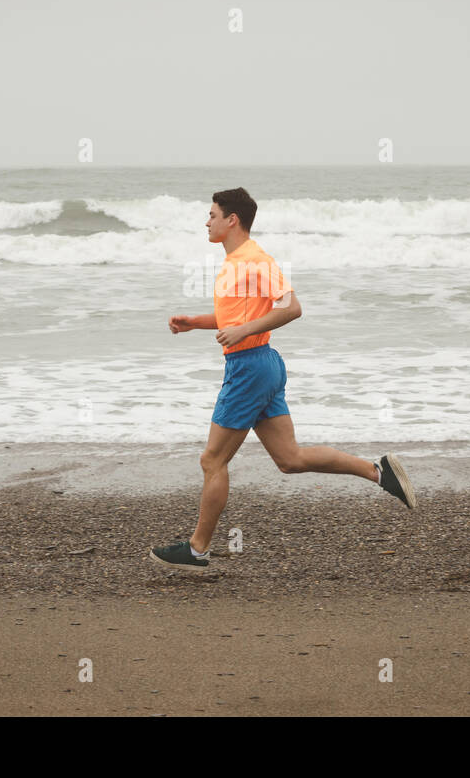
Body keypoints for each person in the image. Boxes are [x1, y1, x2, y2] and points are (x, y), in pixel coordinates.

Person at [150, 187, 416, 574]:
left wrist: (245, 332)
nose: (206, 222)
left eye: (211, 215)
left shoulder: (254, 260)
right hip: (261, 365)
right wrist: (196, 322)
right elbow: (235, 317)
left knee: (212, 459)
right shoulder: (235, 263)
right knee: (290, 459)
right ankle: (378, 472)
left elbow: (292, 307)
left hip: (249, 367)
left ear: (232, 220)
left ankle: (196, 550)